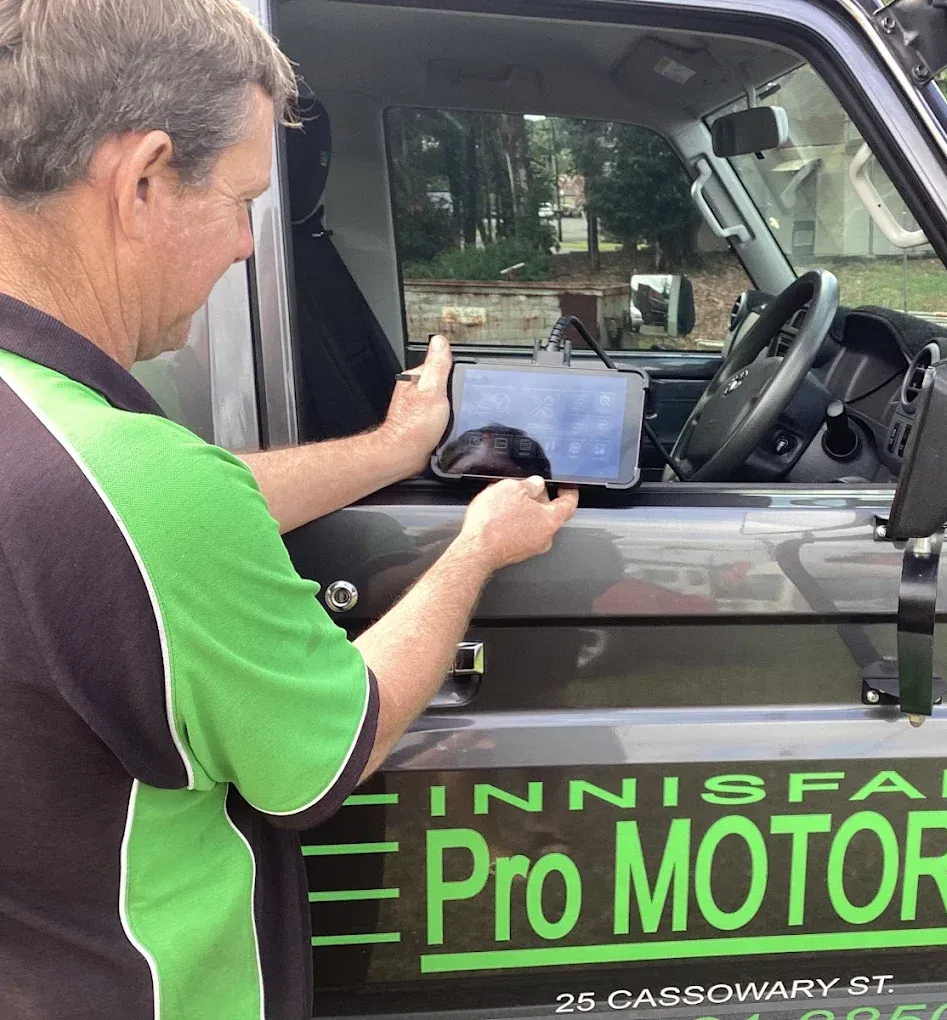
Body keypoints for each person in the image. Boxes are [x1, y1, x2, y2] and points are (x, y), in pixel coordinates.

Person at [0, 2, 577, 1018]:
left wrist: (393, 451)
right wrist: (476, 549)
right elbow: (330, 751)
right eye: (239, 202)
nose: (242, 248)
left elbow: (121, 524)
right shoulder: (143, 487)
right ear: (140, 181)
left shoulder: (51, 432)